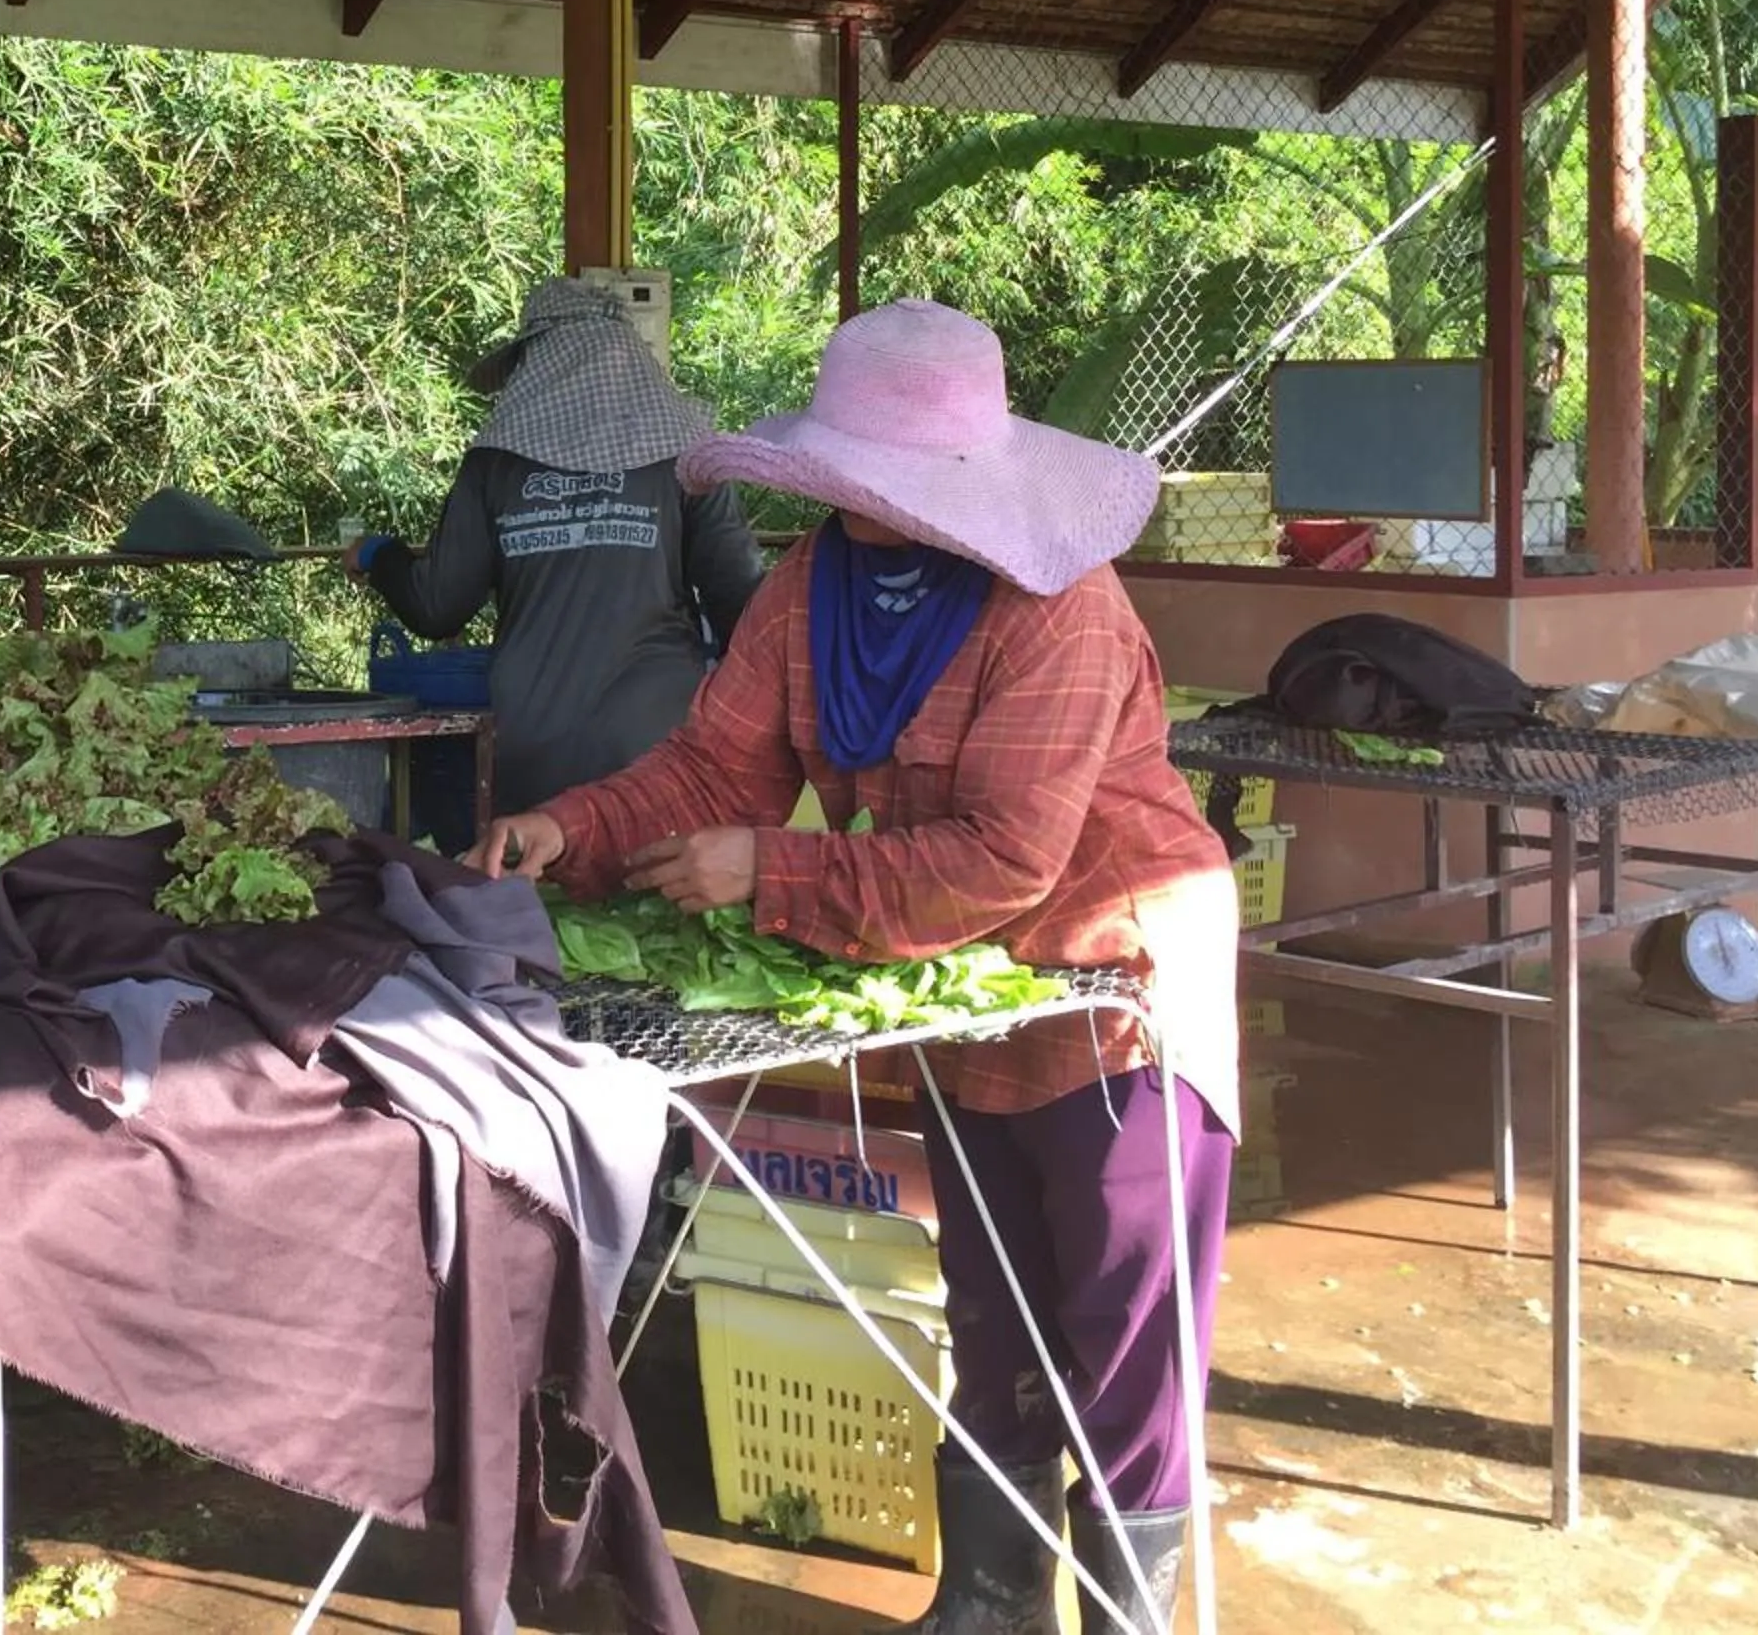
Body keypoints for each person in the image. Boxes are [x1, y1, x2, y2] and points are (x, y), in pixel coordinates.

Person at [474, 300, 1237, 1635]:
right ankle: (992, 1599)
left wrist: (773, 872)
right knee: (992, 1298)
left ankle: (1130, 1615)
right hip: (956, 970)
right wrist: (574, 825)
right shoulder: (811, 583)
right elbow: (718, 765)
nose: (856, 502)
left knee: (1122, 1316)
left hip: (1116, 975)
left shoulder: (1060, 608)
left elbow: (1009, 853)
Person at [346, 278, 762, 812]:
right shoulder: (685, 457)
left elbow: (436, 605)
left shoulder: (494, 463)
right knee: (650, 896)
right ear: (631, 359)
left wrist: (380, 555)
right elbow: (743, 606)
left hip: (532, 751)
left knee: (542, 893)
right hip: (659, 752)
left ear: (533, 364)